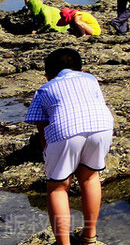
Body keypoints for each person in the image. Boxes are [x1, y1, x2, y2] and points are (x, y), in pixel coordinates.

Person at [24, 47, 115, 245]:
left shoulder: (45, 89)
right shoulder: (90, 79)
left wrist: (47, 152)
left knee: (57, 188)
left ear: (47, 75)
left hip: (65, 131)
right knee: (91, 177)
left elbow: (42, 126)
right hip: (103, 126)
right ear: (80, 70)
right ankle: (89, 236)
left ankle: (63, 243)